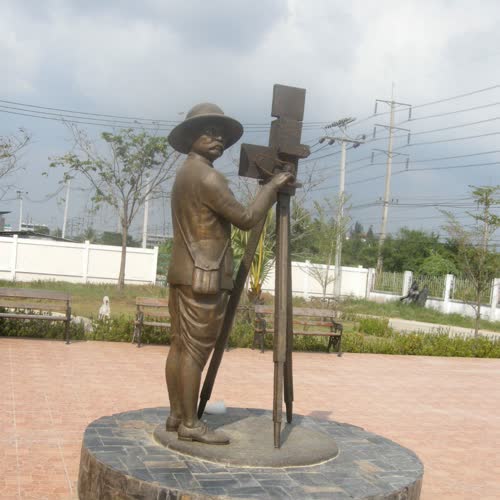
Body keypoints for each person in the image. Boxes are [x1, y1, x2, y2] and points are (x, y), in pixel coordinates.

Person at [166, 103, 292, 445]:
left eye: (221, 135)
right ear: (191, 137)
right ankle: (190, 424)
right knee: (194, 351)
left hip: (183, 272)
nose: (218, 139)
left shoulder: (184, 173)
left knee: (180, 346)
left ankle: (177, 415)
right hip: (204, 277)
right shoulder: (208, 177)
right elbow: (246, 218)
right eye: (209, 133)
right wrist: (272, 187)